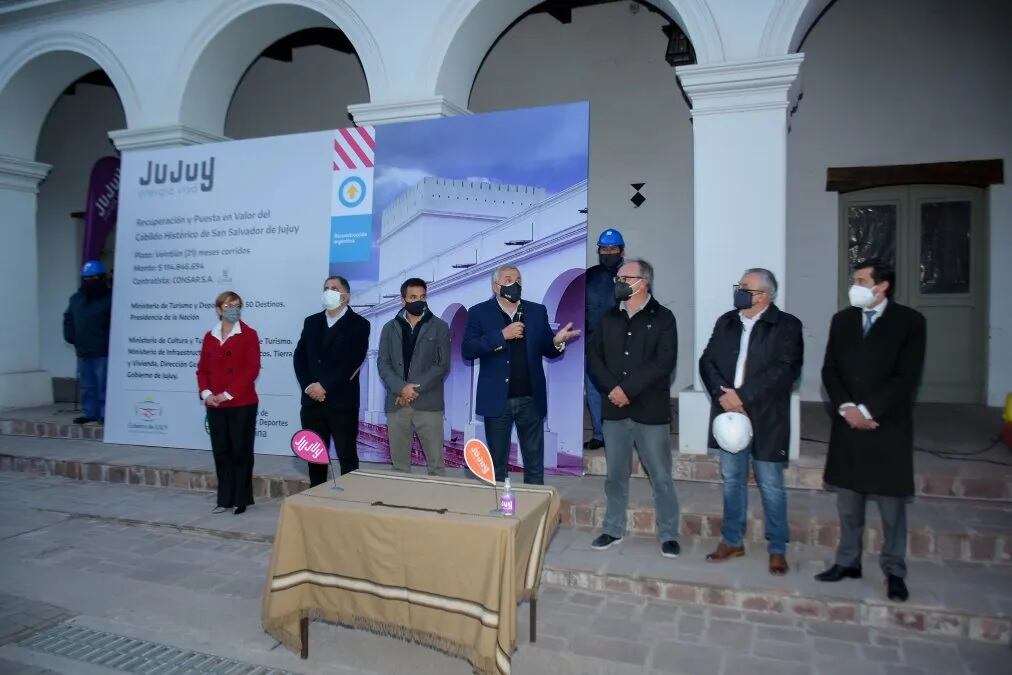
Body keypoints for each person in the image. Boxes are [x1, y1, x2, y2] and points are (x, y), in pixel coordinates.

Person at [816, 259, 926, 602]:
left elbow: (906, 377)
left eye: (862, 280)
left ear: (882, 286)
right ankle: (848, 561)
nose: (856, 286)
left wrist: (867, 410)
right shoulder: (842, 320)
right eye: (856, 280)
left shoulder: (909, 322)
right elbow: (829, 369)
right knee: (849, 504)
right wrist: (847, 408)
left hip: (885, 425)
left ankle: (894, 569)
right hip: (848, 425)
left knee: (892, 508)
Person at [699, 268, 803, 576]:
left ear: (765, 295)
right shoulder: (727, 321)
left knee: (771, 484)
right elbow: (708, 361)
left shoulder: (787, 325)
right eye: (739, 286)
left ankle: (777, 548)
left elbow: (786, 370)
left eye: (746, 287)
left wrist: (742, 397)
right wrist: (724, 395)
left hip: (766, 415)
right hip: (729, 415)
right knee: (732, 480)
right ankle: (732, 540)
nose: (739, 291)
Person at [587, 258, 681, 558]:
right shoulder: (608, 318)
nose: (619, 281)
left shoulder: (664, 318)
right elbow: (594, 359)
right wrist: (612, 390)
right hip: (614, 411)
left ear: (644, 282)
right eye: (618, 277)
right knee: (615, 475)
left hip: (650, 411)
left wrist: (626, 389)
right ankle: (613, 528)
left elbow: (663, 362)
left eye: (625, 277)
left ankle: (668, 533)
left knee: (661, 475)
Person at [462, 264, 581, 484]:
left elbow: (548, 348)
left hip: (530, 399)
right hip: (497, 400)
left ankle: (534, 510)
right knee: (497, 466)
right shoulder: (479, 312)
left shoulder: (536, 311)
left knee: (534, 465)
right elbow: (468, 350)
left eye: (518, 280)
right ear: (495, 286)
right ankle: (500, 511)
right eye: (508, 279)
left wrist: (557, 342)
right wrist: (501, 335)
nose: (514, 284)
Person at [293, 275, 370, 486]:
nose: (329, 291)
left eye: (334, 288)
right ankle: (316, 497)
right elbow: (299, 356)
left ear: (346, 296)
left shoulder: (360, 324)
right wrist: (309, 385)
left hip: (341, 403)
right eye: (326, 288)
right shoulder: (312, 322)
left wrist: (324, 385)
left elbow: (353, 361)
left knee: (347, 457)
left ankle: (350, 503)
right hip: (312, 403)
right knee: (314, 457)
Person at [196, 291, 261, 515]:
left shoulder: (249, 334)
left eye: (237, 305)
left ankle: (242, 499)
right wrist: (206, 393)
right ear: (218, 309)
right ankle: (224, 499)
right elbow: (202, 369)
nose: (234, 309)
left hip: (241, 403)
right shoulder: (209, 336)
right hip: (215, 405)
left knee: (241, 451)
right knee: (221, 451)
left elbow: (251, 369)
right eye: (229, 305)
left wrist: (228, 394)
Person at [377, 277, 450, 475]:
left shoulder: (440, 327)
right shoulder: (389, 328)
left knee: (436, 466)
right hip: (397, 403)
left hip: (428, 404)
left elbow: (442, 365)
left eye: (422, 296)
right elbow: (383, 364)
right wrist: (401, 388)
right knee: (399, 466)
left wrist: (412, 389)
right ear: (403, 300)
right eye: (413, 297)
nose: (419, 300)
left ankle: (438, 505)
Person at [584, 228, 625, 450]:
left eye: (612, 249)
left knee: (618, 389)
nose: (608, 252)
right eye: (604, 249)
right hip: (592, 343)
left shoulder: (631, 274)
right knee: (593, 389)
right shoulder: (589, 275)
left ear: (621, 250)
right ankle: (599, 435)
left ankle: (619, 436)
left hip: (621, 344)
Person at [63, 260, 112, 425]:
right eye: (87, 278)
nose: (90, 282)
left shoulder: (110, 298)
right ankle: (90, 412)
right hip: (83, 349)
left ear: (102, 278)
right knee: (87, 385)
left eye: (94, 278)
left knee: (103, 384)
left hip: (103, 350)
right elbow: (68, 318)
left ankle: (105, 413)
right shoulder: (76, 299)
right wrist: (69, 335)